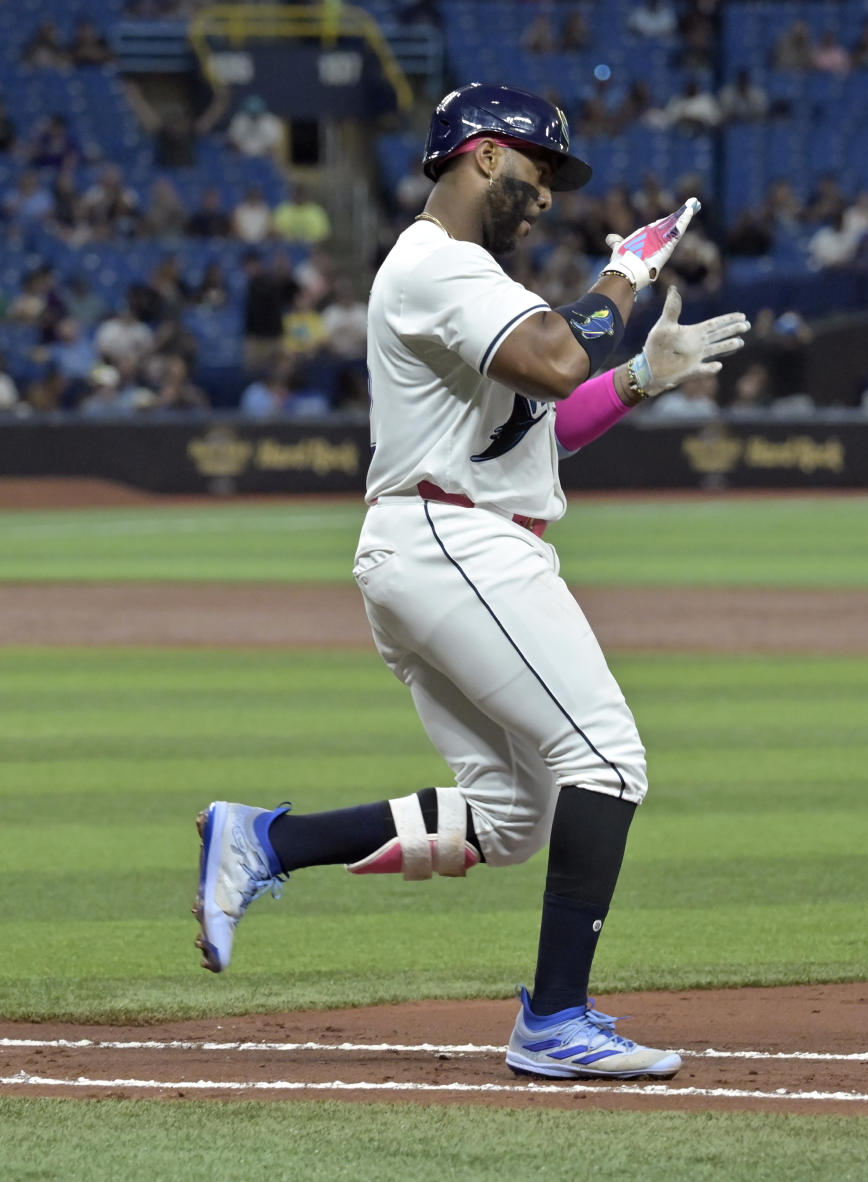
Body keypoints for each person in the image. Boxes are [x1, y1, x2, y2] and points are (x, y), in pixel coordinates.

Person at [192, 82, 748, 1081]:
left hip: (448, 541)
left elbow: (542, 426)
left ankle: (263, 842)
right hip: (456, 542)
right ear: (484, 156)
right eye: (536, 175)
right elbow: (553, 355)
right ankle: (555, 1021)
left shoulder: (469, 281)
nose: (544, 199)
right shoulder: (436, 263)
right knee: (608, 760)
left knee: (511, 819)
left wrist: (640, 380)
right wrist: (621, 276)